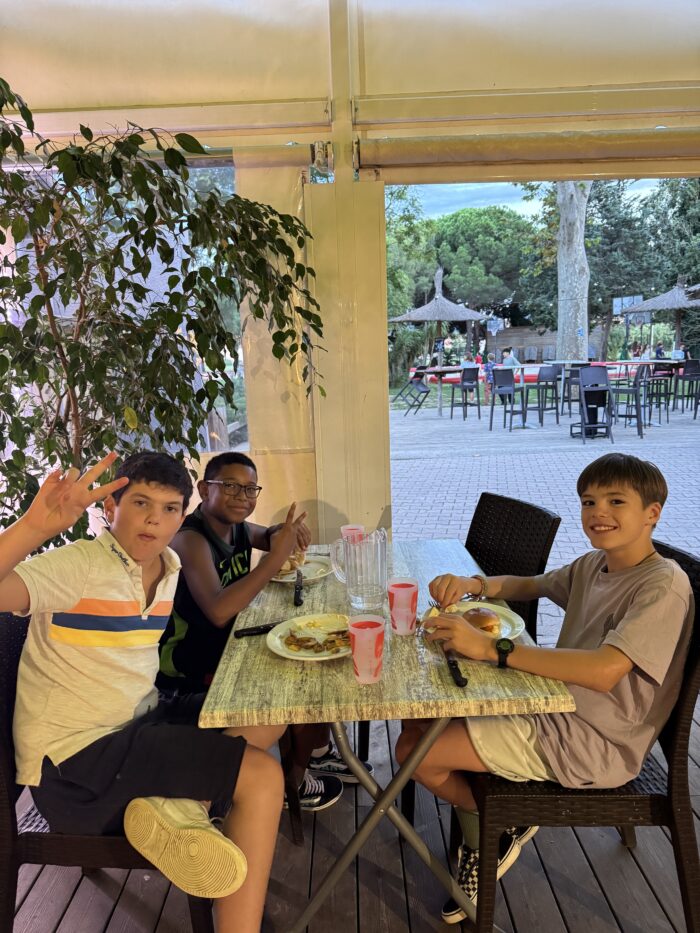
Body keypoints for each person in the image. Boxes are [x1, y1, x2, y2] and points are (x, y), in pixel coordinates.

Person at [396, 453, 693, 925]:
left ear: (652, 513)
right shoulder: (595, 565)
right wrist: (473, 583)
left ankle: (494, 829)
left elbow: (605, 671)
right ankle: (494, 821)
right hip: (552, 703)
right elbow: (529, 585)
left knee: (415, 753)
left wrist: (493, 649)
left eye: (616, 501)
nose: (598, 512)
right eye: (589, 501)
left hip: (594, 741)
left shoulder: (663, 586)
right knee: (421, 716)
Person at [1, 452, 286, 933]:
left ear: (183, 515)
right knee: (262, 778)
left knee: (265, 710)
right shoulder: (80, 566)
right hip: (75, 769)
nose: (155, 519)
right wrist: (33, 528)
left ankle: (180, 810)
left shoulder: (168, 565)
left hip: (136, 725)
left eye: (170, 508)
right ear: (111, 507)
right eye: (140, 503)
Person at [157, 451, 372, 811]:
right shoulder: (190, 540)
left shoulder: (237, 528)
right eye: (230, 486)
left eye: (250, 489)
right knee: (298, 683)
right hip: (191, 667)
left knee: (312, 653)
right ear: (204, 489)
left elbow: (266, 535)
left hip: (229, 646)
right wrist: (275, 558)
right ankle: (293, 783)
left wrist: (280, 534)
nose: (242, 496)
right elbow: (219, 611)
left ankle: (317, 752)